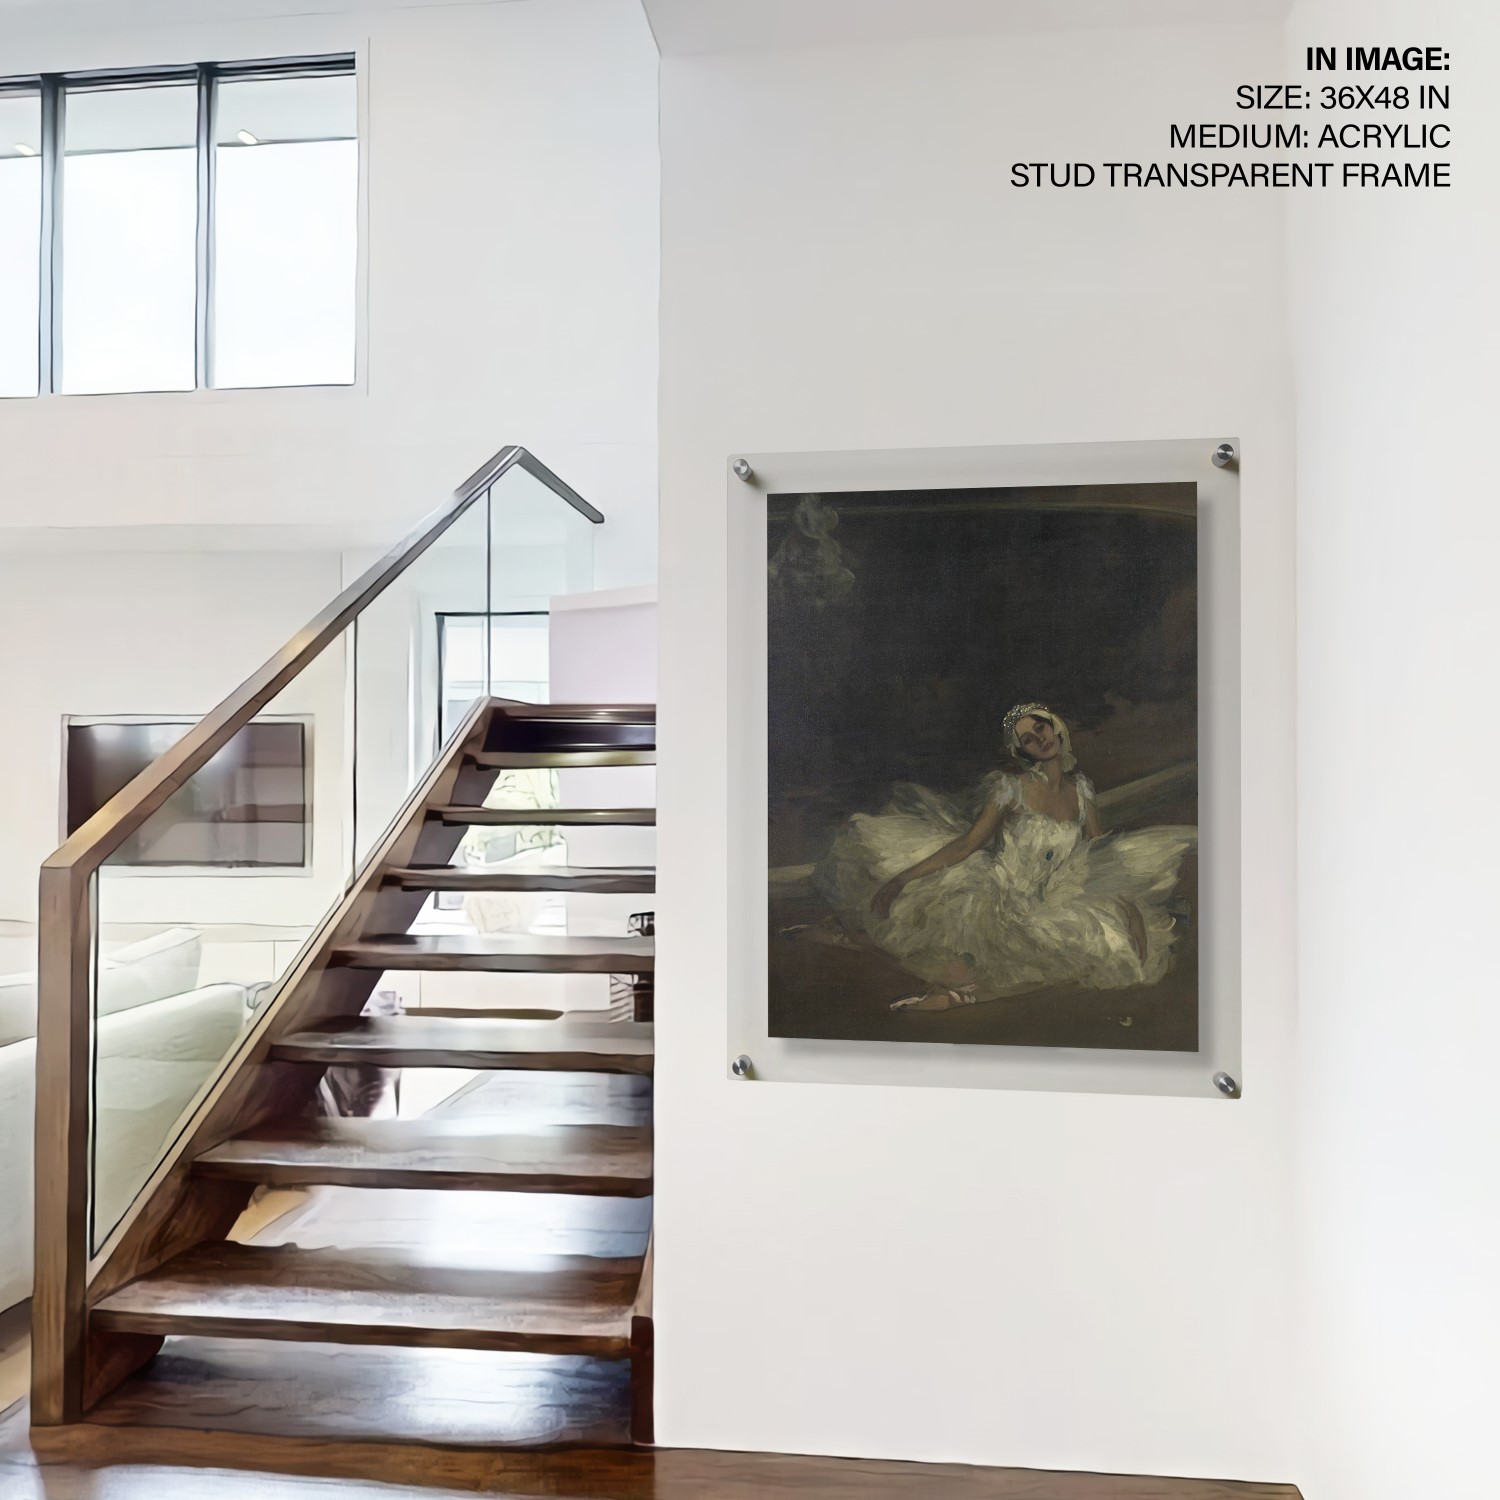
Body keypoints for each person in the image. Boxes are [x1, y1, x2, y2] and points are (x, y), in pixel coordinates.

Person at [812, 702, 1196, 1011]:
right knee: (967, 956)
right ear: (1023, 751)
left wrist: (1128, 906)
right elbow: (967, 844)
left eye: (1041, 728)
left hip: (1055, 899)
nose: (1040, 739)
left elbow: (1101, 856)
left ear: (1055, 727)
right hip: (1001, 896)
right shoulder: (1010, 790)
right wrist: (901, 879)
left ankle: (950, 988)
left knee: (1107, 949)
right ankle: (930, 980)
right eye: (1028, 738)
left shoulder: (1082, 791)